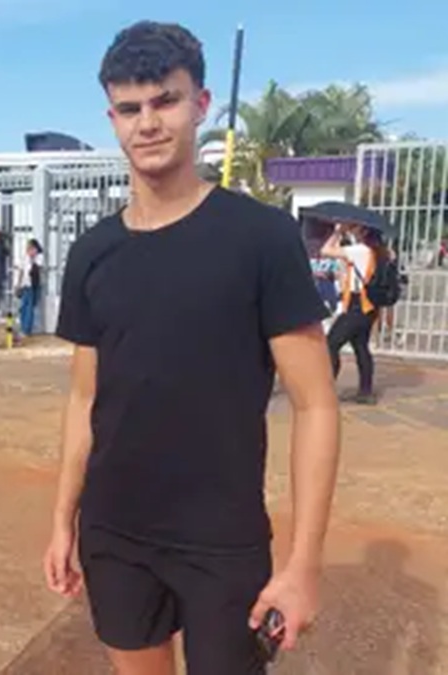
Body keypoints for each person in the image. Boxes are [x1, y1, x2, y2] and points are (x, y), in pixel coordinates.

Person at [42, 21, 341, 675]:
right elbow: (85, 396)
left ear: (200, 105)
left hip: (221, 539)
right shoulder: (94, 252)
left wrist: (303, 564)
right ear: (112, 117)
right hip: (114, 532)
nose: (147, 123)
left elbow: (316, 405)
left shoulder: (260, 239)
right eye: (130, 108)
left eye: (165, 101)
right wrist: (65, 518)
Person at [320, 222, 386, 404]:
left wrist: (337, 232)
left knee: (331, 344)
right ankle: (365, 391)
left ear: (364, 231)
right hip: (369, 306)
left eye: (355, 227)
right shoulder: (379, 251)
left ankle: (327, 390)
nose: (352, 230)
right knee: (360, 347)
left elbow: (325, 250)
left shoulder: (359, 250)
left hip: (358, 306)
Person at [15, 238, 43, 338]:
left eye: (30, 248)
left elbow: (38, 269)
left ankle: (26, 329)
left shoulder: (39, 257)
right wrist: (18, 285)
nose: (28, 250)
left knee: (29, 307)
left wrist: (33, 258)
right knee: (23, 307)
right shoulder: (24, 258)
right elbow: (21, 271)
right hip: (25, 284)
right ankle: (23, 327)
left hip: (33, 285)